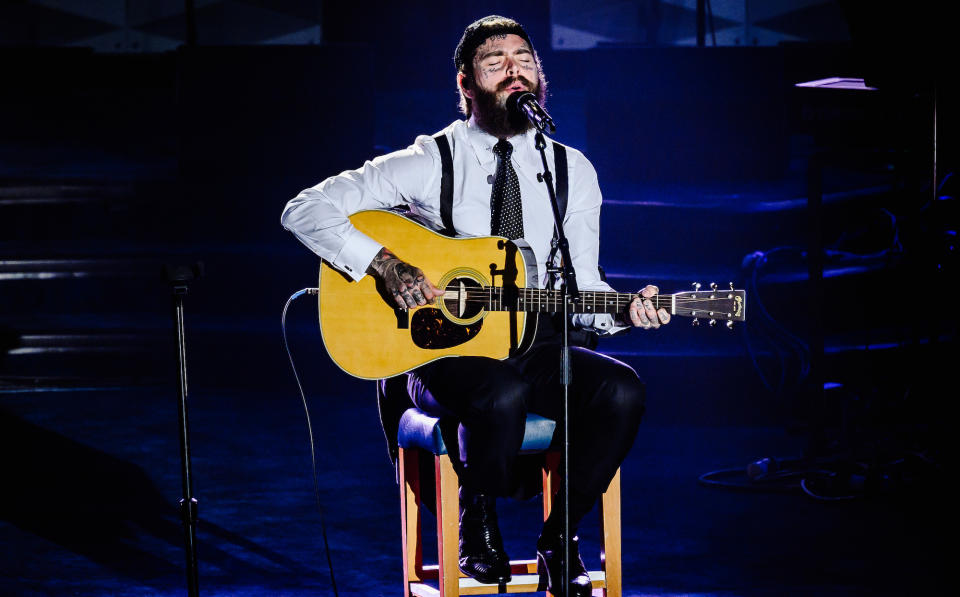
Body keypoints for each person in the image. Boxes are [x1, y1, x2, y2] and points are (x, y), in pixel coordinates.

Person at [281, 15, 670, 597]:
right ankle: (476, 510)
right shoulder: (429, 160)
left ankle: (558, 538)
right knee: (499, 393)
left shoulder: (573, 172)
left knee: (622, 390)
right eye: (497, 64)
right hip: (440, 352)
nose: (515, 71)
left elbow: (583, 290)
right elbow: (304, 208)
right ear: (466, 85)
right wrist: (384, 264)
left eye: (524, 60)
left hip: (533, 345)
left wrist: (624, 311)